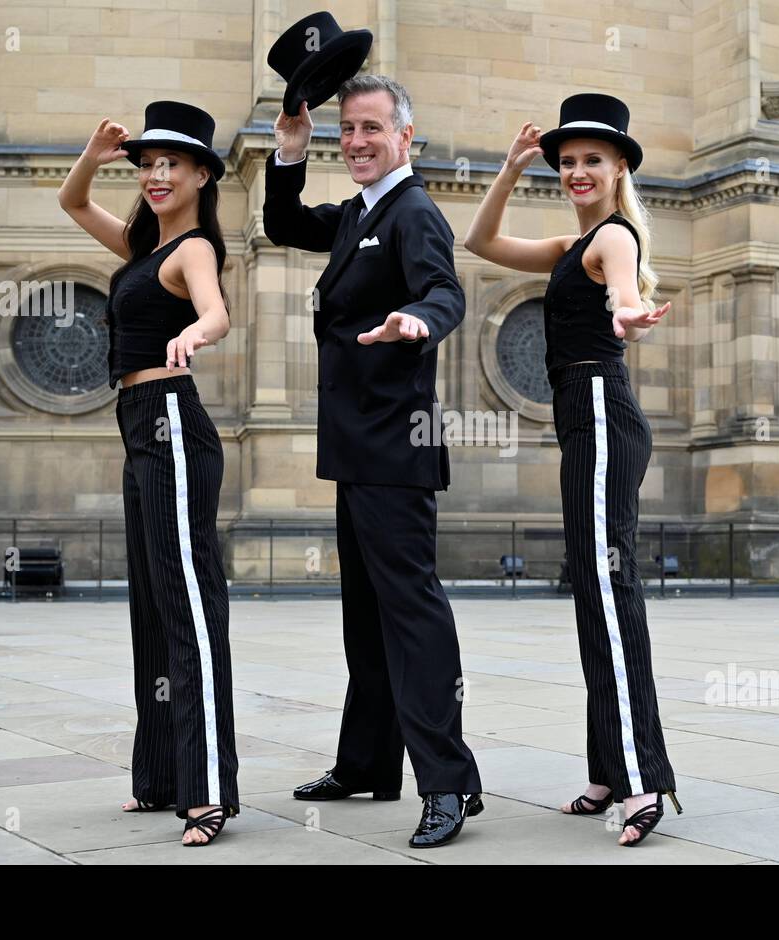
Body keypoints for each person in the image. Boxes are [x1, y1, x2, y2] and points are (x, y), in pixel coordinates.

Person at [263, 74, 483, 849]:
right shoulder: (362, 210)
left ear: (404, 140)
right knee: (367, 616)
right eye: (347, 129)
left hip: (397, 445)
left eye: (371, 129)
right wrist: (289, 151)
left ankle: (450, 784)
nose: (356, 141)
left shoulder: (414, 210)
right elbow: (285, 222)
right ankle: (366, 763)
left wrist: (418, 321)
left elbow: (446, 291)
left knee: (413, 616)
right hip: (359, 446)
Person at [464, 93, 680, 846]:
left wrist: (626, 312)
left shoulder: (612, 239)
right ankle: (609, 768)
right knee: (592, 588)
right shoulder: (569, 245)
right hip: (582, 413)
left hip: (597, 405)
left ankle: (643, 777)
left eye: (593, 158)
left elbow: (623, 288)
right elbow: (481, 240)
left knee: (611, 591)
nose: (578, 171)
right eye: (567, 161)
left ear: (621, 165)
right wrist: (510, 167)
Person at [57, 101, 239, 846]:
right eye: (148, 164)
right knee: (151, 605)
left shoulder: (191, 247)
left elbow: (218, 313)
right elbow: (71, 200)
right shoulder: (139, 246)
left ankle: (208, 792)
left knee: (190, 605)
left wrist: (194, 332)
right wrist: (95, 153)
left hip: (171, 418)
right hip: (136, 422)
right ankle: (162, 776)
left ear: (201, 174)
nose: (158, 175)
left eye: (173, 164)